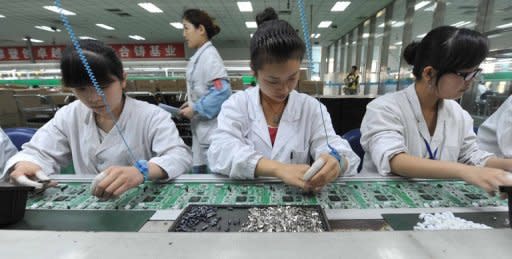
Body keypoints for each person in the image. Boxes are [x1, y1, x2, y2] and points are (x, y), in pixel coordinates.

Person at [2, 40, 192, 199]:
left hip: (140, 198)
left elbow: (178, 156)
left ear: (123, 79)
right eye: (82, 89)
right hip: (88, 201)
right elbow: (39, 152)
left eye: (103, 86)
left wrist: (141, 171)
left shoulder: (151, 115)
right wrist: (25, 164)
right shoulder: (69, 115)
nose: (93, 98)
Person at [207, 8, 360, 192]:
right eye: (273, 81)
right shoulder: (237, 104)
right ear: (254, 71)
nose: (285, 89)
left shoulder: (310, 107)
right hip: (248, 197)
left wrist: (337, 162)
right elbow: (220, 152)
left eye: (292, 78)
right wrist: (278, 169)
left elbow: (335, 147)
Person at [360, 26, 512, 195]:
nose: (471, 82)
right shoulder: (385, 108)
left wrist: (506, 166)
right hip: (383, 198)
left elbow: (471, 156)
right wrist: (464, 171)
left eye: (475, 73)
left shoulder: (458, 114)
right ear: (429, 73)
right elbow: (396, 160)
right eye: (465, 74)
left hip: (433, 199)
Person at [179, 9, 231, 174]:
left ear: (200, 29)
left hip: (211, 131)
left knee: (212, 179)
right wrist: (192, 103)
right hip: (202, 131)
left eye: (186, 28)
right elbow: (205, 89)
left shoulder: (210, 56)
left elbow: (221, 92)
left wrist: (195, 108)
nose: (184, 34)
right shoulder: (200, 57)